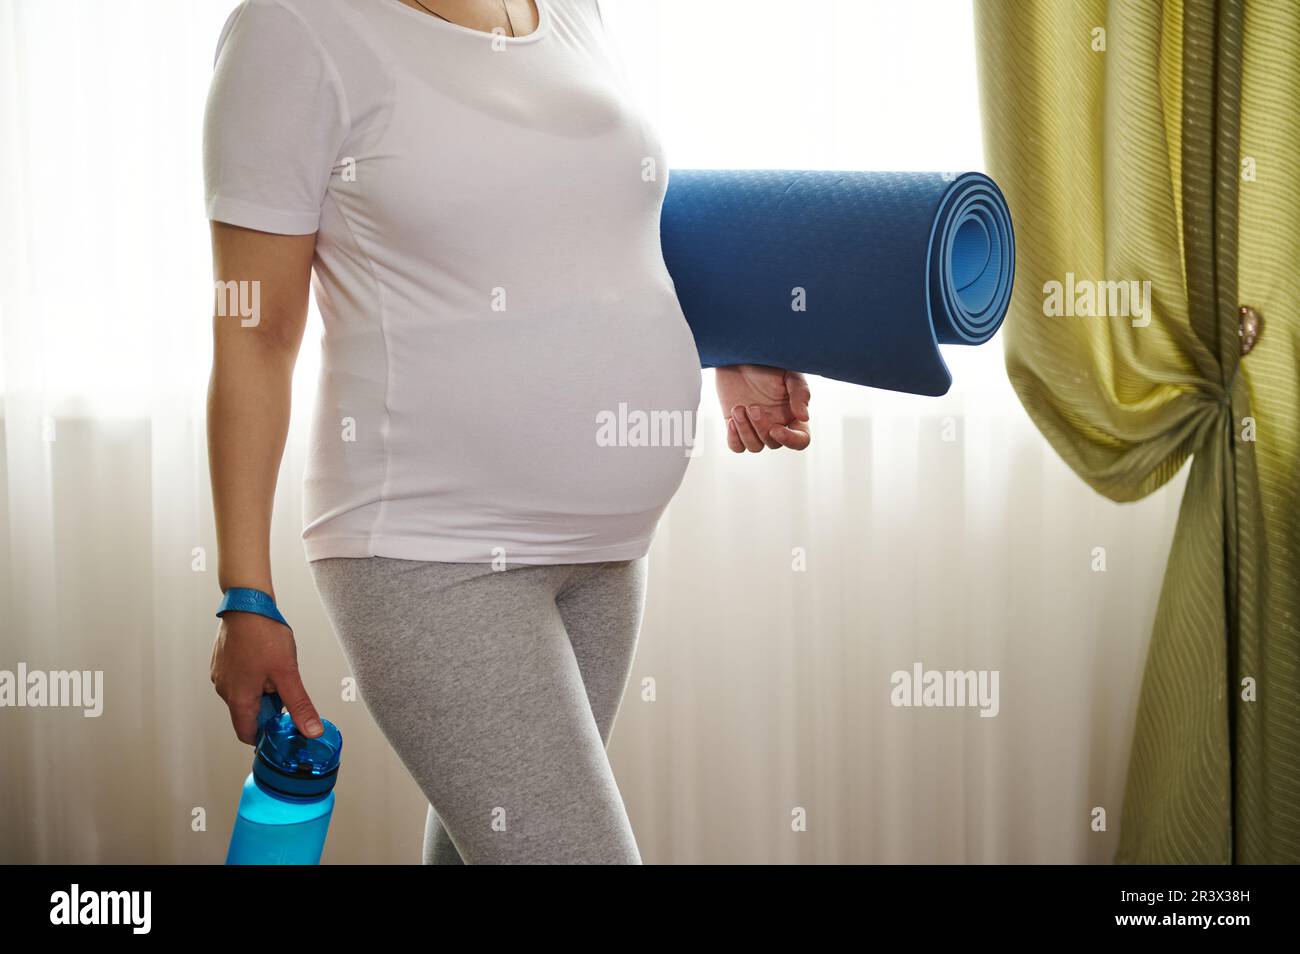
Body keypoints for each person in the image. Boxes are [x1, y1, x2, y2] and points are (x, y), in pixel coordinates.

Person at [203, 0, 811, 864]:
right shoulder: (296, 27)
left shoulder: (569, 7)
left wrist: (729, 340)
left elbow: (611, 218)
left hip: (607, 552)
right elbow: (255, 336)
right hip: (429, 551)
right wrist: (244, 593)